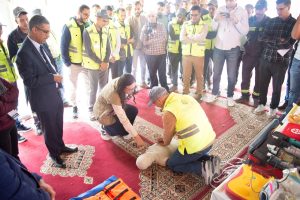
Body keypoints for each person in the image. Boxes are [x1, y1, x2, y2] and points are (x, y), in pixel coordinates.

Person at [16, 15, 78, 168]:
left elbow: (50, 64)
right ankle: (54, 154)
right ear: (34, 29)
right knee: (49, 128)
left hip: (54, 93)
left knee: (57, 124)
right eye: (45, 32)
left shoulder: (41, 43)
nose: (48, 35)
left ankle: (61, 146)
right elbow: (29, 81)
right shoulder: (23, 53)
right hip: (42, 98)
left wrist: (55, 80)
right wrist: (52, 78)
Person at [147, 86, 221, 185]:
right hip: (210, 139)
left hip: (197, 148)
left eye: (154, 103)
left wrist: (165, 140)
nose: (156, 106)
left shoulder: (168, 112)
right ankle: (209, 160)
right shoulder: (186, 97)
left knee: (172, 165)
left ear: (159, 99)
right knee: (183, 159)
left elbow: (167, 141)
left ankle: (204, 168)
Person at [254, 0, 296, 118]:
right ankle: (261, 104)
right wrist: (279, 40)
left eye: (281, 9)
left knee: (277, 87)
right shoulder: (271, 21)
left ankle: (273, 108)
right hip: (266, 58)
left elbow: (288, 43)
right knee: (262, 84)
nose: (278, 11)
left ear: (288, 7)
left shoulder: (294, 23)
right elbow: (261, 38)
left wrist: (273, 40)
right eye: (277, 9)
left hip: (280, 62)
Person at [207, 0, 249, 107]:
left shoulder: (242, 11)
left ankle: (230, 96)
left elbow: (245, 31)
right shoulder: (220, 9)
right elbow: (213, 27)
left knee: (231, 75)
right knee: (216, 73)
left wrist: (235, 20)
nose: (228, 1)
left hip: (233, 48)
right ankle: (214, 93)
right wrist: (216, 20)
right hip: (218, 47)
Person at [93, 74, 145, 147]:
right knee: (118, 132)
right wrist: (137, 138)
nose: (132, 91)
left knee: (133, 110)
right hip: (103, 113)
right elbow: (124, 119)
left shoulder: (121, 81)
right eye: (130, 89)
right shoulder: (113, 95)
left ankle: (123, 131)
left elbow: (121, 104)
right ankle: (105, 129)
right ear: (123, 87)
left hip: (112, 108)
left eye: (134, 87)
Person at [236, 0, 269, 107]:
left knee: (259, 77)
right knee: (245, 76)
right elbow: (242, 34)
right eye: (257, 8)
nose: (258, 10)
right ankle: (244, 95)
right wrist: (246, 46)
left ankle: (256, 97)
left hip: (261, 55)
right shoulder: (249, 20)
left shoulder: (269, 21)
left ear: (265, 9)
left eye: (261, 8)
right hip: (249, 54)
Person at [7, 7, 34, 140]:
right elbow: (12, 58)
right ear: (16, 21)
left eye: (26, 19)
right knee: (11, 104)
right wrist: (23, 58)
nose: (25, 23)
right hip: (20, 75)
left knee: (15, 102)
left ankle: (17, 123)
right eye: (21, 20)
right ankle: (15, 124)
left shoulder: (32, 31)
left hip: (16, 77)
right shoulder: (13, 36)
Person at [61, 5, 91, 119]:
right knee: (73, 87)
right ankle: (74, 106)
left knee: (89, 86)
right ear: (78, 13)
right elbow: (63, 46)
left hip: (86, 63)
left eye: (88, 14)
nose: (87, 17)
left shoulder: (89, 25)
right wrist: (67, 63)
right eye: (85, 14)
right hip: (73, 64)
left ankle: (90, 106)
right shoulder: (68, 26)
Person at [82, 10, 111, 121]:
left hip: (104, 64)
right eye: (104, 21)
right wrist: (101, 63)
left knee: (103, 88)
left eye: (107, 21)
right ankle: (91, 109)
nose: (105, 23)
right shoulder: (87, 31)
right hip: (93, 65)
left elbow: (108, 49)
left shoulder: (105, 31)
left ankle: (101, 107)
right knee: (93, 88)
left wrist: (106, 61)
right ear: (97, 18)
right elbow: (89, 51)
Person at [180, 5, 208, 100]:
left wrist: (189, 36)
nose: (193, 17)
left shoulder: (204, 25)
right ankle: (185, 92)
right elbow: (182, 38)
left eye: (196, 15)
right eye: (192, 15)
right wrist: (195, 37)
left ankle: (199, 92)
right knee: (186, 75)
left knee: (199, 76)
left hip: (198, 55)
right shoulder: (185, 24)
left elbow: (201, 38)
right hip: (186, 54)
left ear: (200, 14)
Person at [141, 10, 169, 91]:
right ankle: (154, 89)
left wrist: (151, 40)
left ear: (156, 16)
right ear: (147, 17)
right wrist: (147, 36)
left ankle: (165, 89)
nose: (151, 18)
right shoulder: (145, 27)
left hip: (161, 53)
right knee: (152, 74)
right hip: (149, 54)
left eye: (153, 16)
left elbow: (164, 38)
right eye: (149, 16)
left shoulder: (161, 26)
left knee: (162, 73)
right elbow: (143, 41)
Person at [128, 1, 148, 88]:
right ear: (133, 9)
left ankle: (143, 81)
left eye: (138, 8)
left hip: (143, 47)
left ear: (141, 8)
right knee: (134, 68)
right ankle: (133, 84)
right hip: (134, 47)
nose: (137, 10)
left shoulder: (145, 18)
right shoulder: (129, 19)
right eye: (135, 9)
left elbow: (148, 31)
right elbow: (128, 33)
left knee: (143, 66)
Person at [167, 8, 187, 92]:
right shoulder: (170, 24)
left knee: (184, 68)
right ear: (176, 15)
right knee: (174, 68)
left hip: (183, 50)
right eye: (179, 16)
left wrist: (184, 36)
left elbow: (188, 36)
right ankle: (174, 84)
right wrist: (183, 36)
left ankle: (185, 84)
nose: (180, 19)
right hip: (173, 51)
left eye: (182, 17)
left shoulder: (186, 24)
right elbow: (173, 36)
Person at [0, 78, 19, 159]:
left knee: (16, 154)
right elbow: (1, 109)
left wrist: (4, 98)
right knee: (9, 159)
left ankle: (21, 170)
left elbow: (15, 90)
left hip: (12, 119)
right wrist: (12, 102)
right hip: (2, 128)